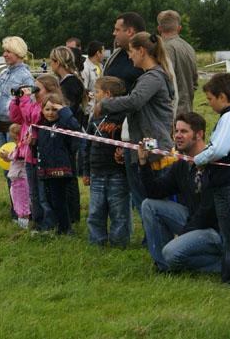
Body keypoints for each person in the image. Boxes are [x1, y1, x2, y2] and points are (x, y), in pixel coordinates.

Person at [96, 32, 176, 216]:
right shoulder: (150, 77)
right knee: (146, 196)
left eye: (131, 51)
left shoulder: (152, 78)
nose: (129, 55)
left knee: (152, 197)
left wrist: (105, 104)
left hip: (154, 145)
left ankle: (156, 234)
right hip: (146, 143)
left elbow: (134, 101)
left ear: (141, 51)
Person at [139, 112, 222, 274]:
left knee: (171, 252)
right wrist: (143, 163)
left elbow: (208, 213)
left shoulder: (213, 164)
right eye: (176, 131)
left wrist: (182, 235)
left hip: (213, 230)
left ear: (199, 134)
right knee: (149, 205)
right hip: (192, 220)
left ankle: (220, 264)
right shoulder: (182, 164)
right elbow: (155, 191)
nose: (177, 136)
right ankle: (165, 267)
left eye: (183, 132)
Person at [194, 73, 230, 284]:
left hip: (228, 187)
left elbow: (220, 148)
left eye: (210, 99)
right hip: (229, 185)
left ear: (222, 96)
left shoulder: (229, 117)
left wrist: (199, 159)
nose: (209, 104)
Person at [9, 73, 61, 231]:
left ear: (49, 90)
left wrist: (25, 100)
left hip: (40, 155)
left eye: (38, 88)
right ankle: (38, 223)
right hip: (28, 155)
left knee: (42, 194)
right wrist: (17, 100)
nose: (34, 91)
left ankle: (48, 224)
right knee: (33, 194)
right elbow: (16, 117)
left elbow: (32, 118)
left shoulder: (45, 108)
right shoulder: (32, 104)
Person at [83, 76, 130, 248]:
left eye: (97, 92)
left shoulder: (124, 116)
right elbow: (87, 144)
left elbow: (128, 142)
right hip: (96, 171)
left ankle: (119, 243)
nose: (94, 95)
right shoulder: (94, 115)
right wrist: (86, 171)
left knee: (119, 211)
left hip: (117, 173)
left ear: (108, 95)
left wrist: (123, 153)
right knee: (96, 211)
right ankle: (97, 242)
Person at [49, 46, 85, 223]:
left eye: (52, 61)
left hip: (69, 134)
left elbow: (68, 109)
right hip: (65, 132)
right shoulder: (66, 82)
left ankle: (72, 215)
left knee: (69, 176)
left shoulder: (70, 83)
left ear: (57, 62)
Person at [36, 93, 80, 235]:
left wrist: (63, 110)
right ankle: (60, 226)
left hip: (60, 169)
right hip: (46, 169)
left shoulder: (63, 124)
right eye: (47, 109)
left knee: (60, 200)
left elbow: (75, 127)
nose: (50, 113)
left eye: (54, 110)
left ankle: (66, 228)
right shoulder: (42, 126)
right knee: (52, 200)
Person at [157, 10, 198, 115]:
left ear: (159, 28)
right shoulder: (189, 48)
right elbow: (195, 83)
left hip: (170, 113)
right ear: (179, 28)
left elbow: (164, 81)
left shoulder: (164, 49)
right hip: (187, 111)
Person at [0, 123, 30, 229]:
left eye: (16, 138)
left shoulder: (24, 146)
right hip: (16, 180)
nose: (15, 141)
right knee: (17, 203)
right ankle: (22, 224)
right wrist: (6, 157)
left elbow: (19, 156)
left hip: (21, 179)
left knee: (23, 205)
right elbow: (13, 157)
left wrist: (8, 155)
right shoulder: (18, 146)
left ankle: (23, 227)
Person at [82, 41, 104, 115]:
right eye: (103, 51)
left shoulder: (101, 67)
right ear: (98, 53)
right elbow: (84, 91)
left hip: (99, 109)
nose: (104, 55)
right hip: (89, 111)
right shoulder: (85, 68)